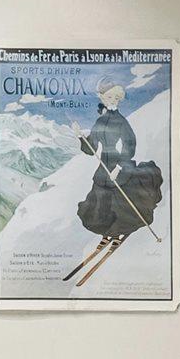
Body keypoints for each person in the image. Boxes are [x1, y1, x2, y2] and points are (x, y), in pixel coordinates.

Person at [73, 82, 163, 245]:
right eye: (109, 97)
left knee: (118, 201)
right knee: (101, 199)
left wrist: (119, 168)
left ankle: (117, 232)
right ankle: (106, 232)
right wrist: (80, 136)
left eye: (116, 97)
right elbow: (92, 149)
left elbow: (130, 146)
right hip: (104, 164)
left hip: (119, 163)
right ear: (102, 98)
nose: (113, 100)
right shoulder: (100, 122)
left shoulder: (121, 122)